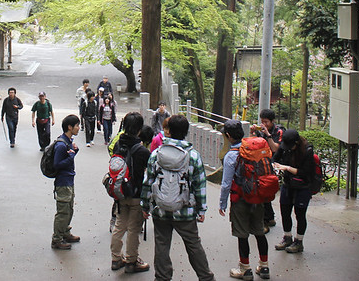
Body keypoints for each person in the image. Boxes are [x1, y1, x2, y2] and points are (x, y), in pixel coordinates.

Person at [141, 114, 215, 281]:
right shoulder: (193, 156)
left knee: (161, 244)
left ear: (168, 132)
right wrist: (201, 209)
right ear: (186, 132)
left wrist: (145, 206)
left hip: (160, 209)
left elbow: (148, 182)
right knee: (193, 244)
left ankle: (162, 277)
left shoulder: (156, 154)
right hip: (185, 210)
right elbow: (199, 185)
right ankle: (206, 277)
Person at [219, 119, 270, 280]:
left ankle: (245, 269)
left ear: (228, 136)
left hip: (240, 199)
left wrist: (222, 203)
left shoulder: (231, 156)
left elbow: (226, 183)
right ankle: (264, 267)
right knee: (259, 232)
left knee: (242, 234)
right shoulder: (253, 150)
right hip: (258, 197)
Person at [110, 112, 151, 273]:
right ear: (139, 129)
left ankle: (115, 258)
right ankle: (131, 261)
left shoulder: (119, 144)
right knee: (134, 229)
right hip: (136, 194)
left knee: (119, 225)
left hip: (120, 193)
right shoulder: (142, 151)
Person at [272, 129, 316, 254]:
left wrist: (288, 168)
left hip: (302, 187)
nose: (288, 148)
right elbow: (275, 158)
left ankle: (299, 241)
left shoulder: (307, 151)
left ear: (296, 143)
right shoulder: (285, 147)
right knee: (285, 211)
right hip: (288, 184)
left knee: (300, 214)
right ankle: (287, 237)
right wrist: (275, 165)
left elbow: (306, 173)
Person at [51, 114, 81, 250]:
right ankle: (57, 239)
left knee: (69, 209)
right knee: (63, 211)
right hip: (63, 182)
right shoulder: (61, 145)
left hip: (69, 180)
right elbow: (57, 164)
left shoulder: (68, 141)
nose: (78, 128)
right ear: (69, 127)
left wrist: (74, 152)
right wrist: (71, 156)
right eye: (76, 125)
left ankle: (65, 232)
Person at [254, 108, 285, 230]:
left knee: (265, 190)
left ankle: (266, 220)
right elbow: (254, 144)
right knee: (263, 190)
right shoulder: (260, 131)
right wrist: (253, 133)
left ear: (272, 121)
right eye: (262, 121)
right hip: (263, 164)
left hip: (276, 164)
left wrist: (268, 135)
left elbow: (276, 149)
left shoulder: (279, 131)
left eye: (266, 121)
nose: (264, 124)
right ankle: (269, 217)